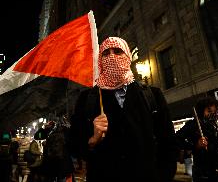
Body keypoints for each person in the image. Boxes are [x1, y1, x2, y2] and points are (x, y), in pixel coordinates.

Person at [70, 37, 177, 182]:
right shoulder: (88, 99)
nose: (112, 56)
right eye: (106, 53)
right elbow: (74, 146)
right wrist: (92, 140)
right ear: (100, 60)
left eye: (118, 51)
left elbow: (168, 142)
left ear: (128, 56)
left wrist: (163, 176)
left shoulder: (152, 95)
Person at [176, 96, 218, 182]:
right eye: (209, 111)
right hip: (204, 173)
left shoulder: (217, 125)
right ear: (201, 111)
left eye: (215, 111)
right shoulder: (193, 124)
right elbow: (177, 139)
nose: (213, 114)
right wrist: (195, 145)